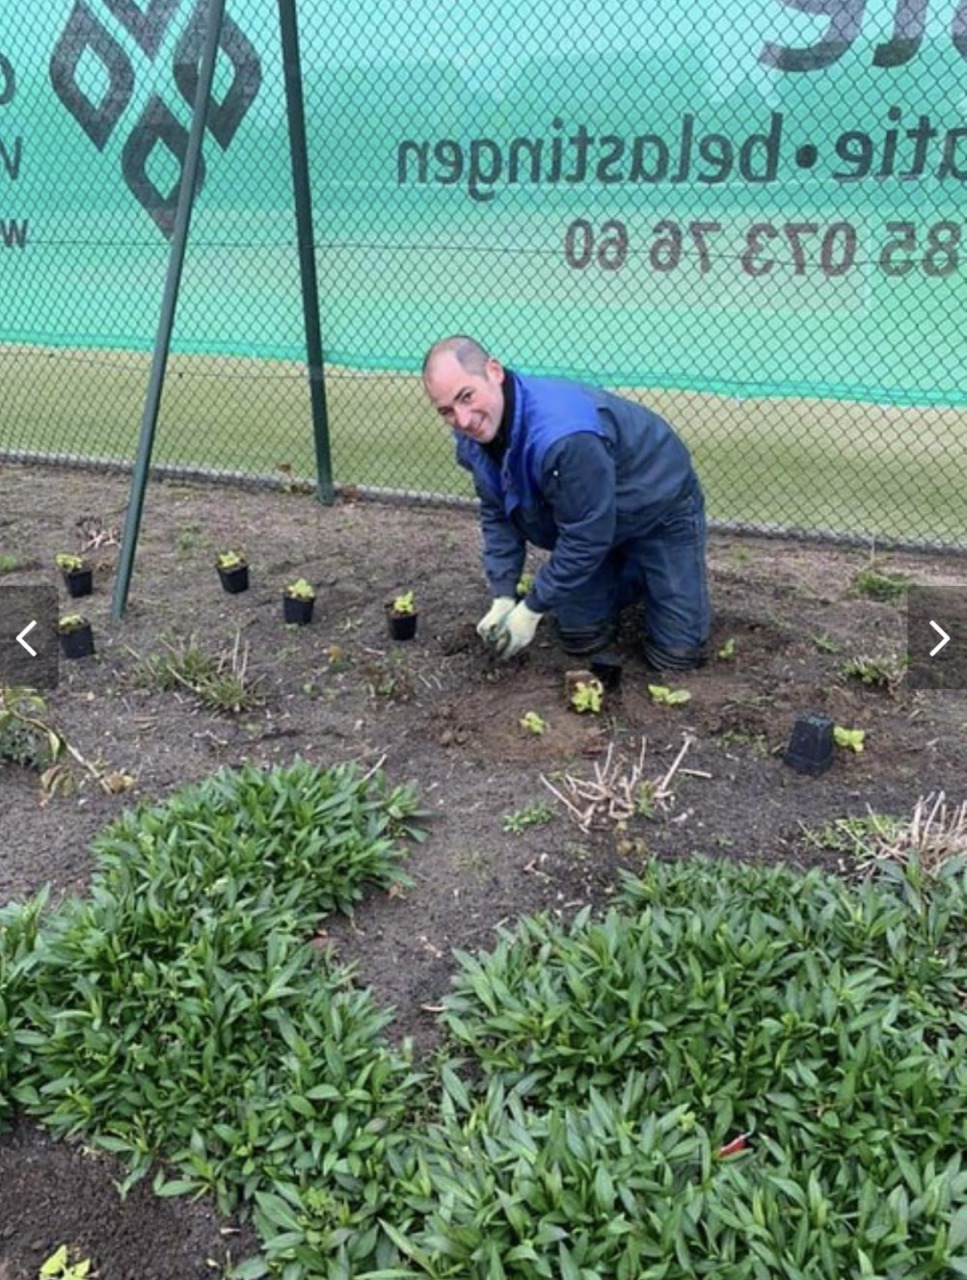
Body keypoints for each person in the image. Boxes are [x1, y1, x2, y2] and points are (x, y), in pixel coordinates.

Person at [421, 335, 711, 669]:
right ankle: (623, 568)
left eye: (466, 396)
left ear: (494, 371)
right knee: (579, 634)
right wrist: (503, 594)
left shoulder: (564, 438)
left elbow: (586, 536)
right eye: (446, 411)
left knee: (677, 657)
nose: (463, 419)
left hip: (657, 504)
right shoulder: (473, 436)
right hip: (593, 515)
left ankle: (643, 570)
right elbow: (497, 512)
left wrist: (531, 608)